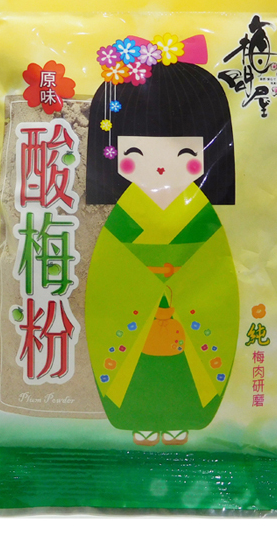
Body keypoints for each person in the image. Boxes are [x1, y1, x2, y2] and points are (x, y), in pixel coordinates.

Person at [85, 34, 239, 446]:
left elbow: (216, 264)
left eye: (183, 152)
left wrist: (176, 280)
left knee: (183, 367)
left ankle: (184, 417)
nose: (158, 168)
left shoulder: (200, 213)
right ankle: (137, 417)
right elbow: (109, 266)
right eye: (134, 152)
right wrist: (150, 280)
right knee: (138, 367)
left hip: (185, 314)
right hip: (139, 313)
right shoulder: (124, 214)